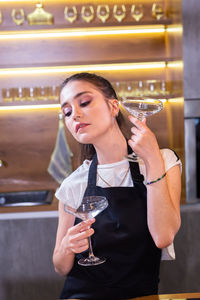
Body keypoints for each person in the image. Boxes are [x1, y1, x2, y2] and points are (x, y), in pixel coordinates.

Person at [53, 72, 181, 300]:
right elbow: (61, 267)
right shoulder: (74, 183)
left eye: (84, 102)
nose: (75, 114)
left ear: (114, 107)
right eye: (67, 112)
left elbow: (163, 237)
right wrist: (67, 245)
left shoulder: (163, 160)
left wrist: (151, 159)